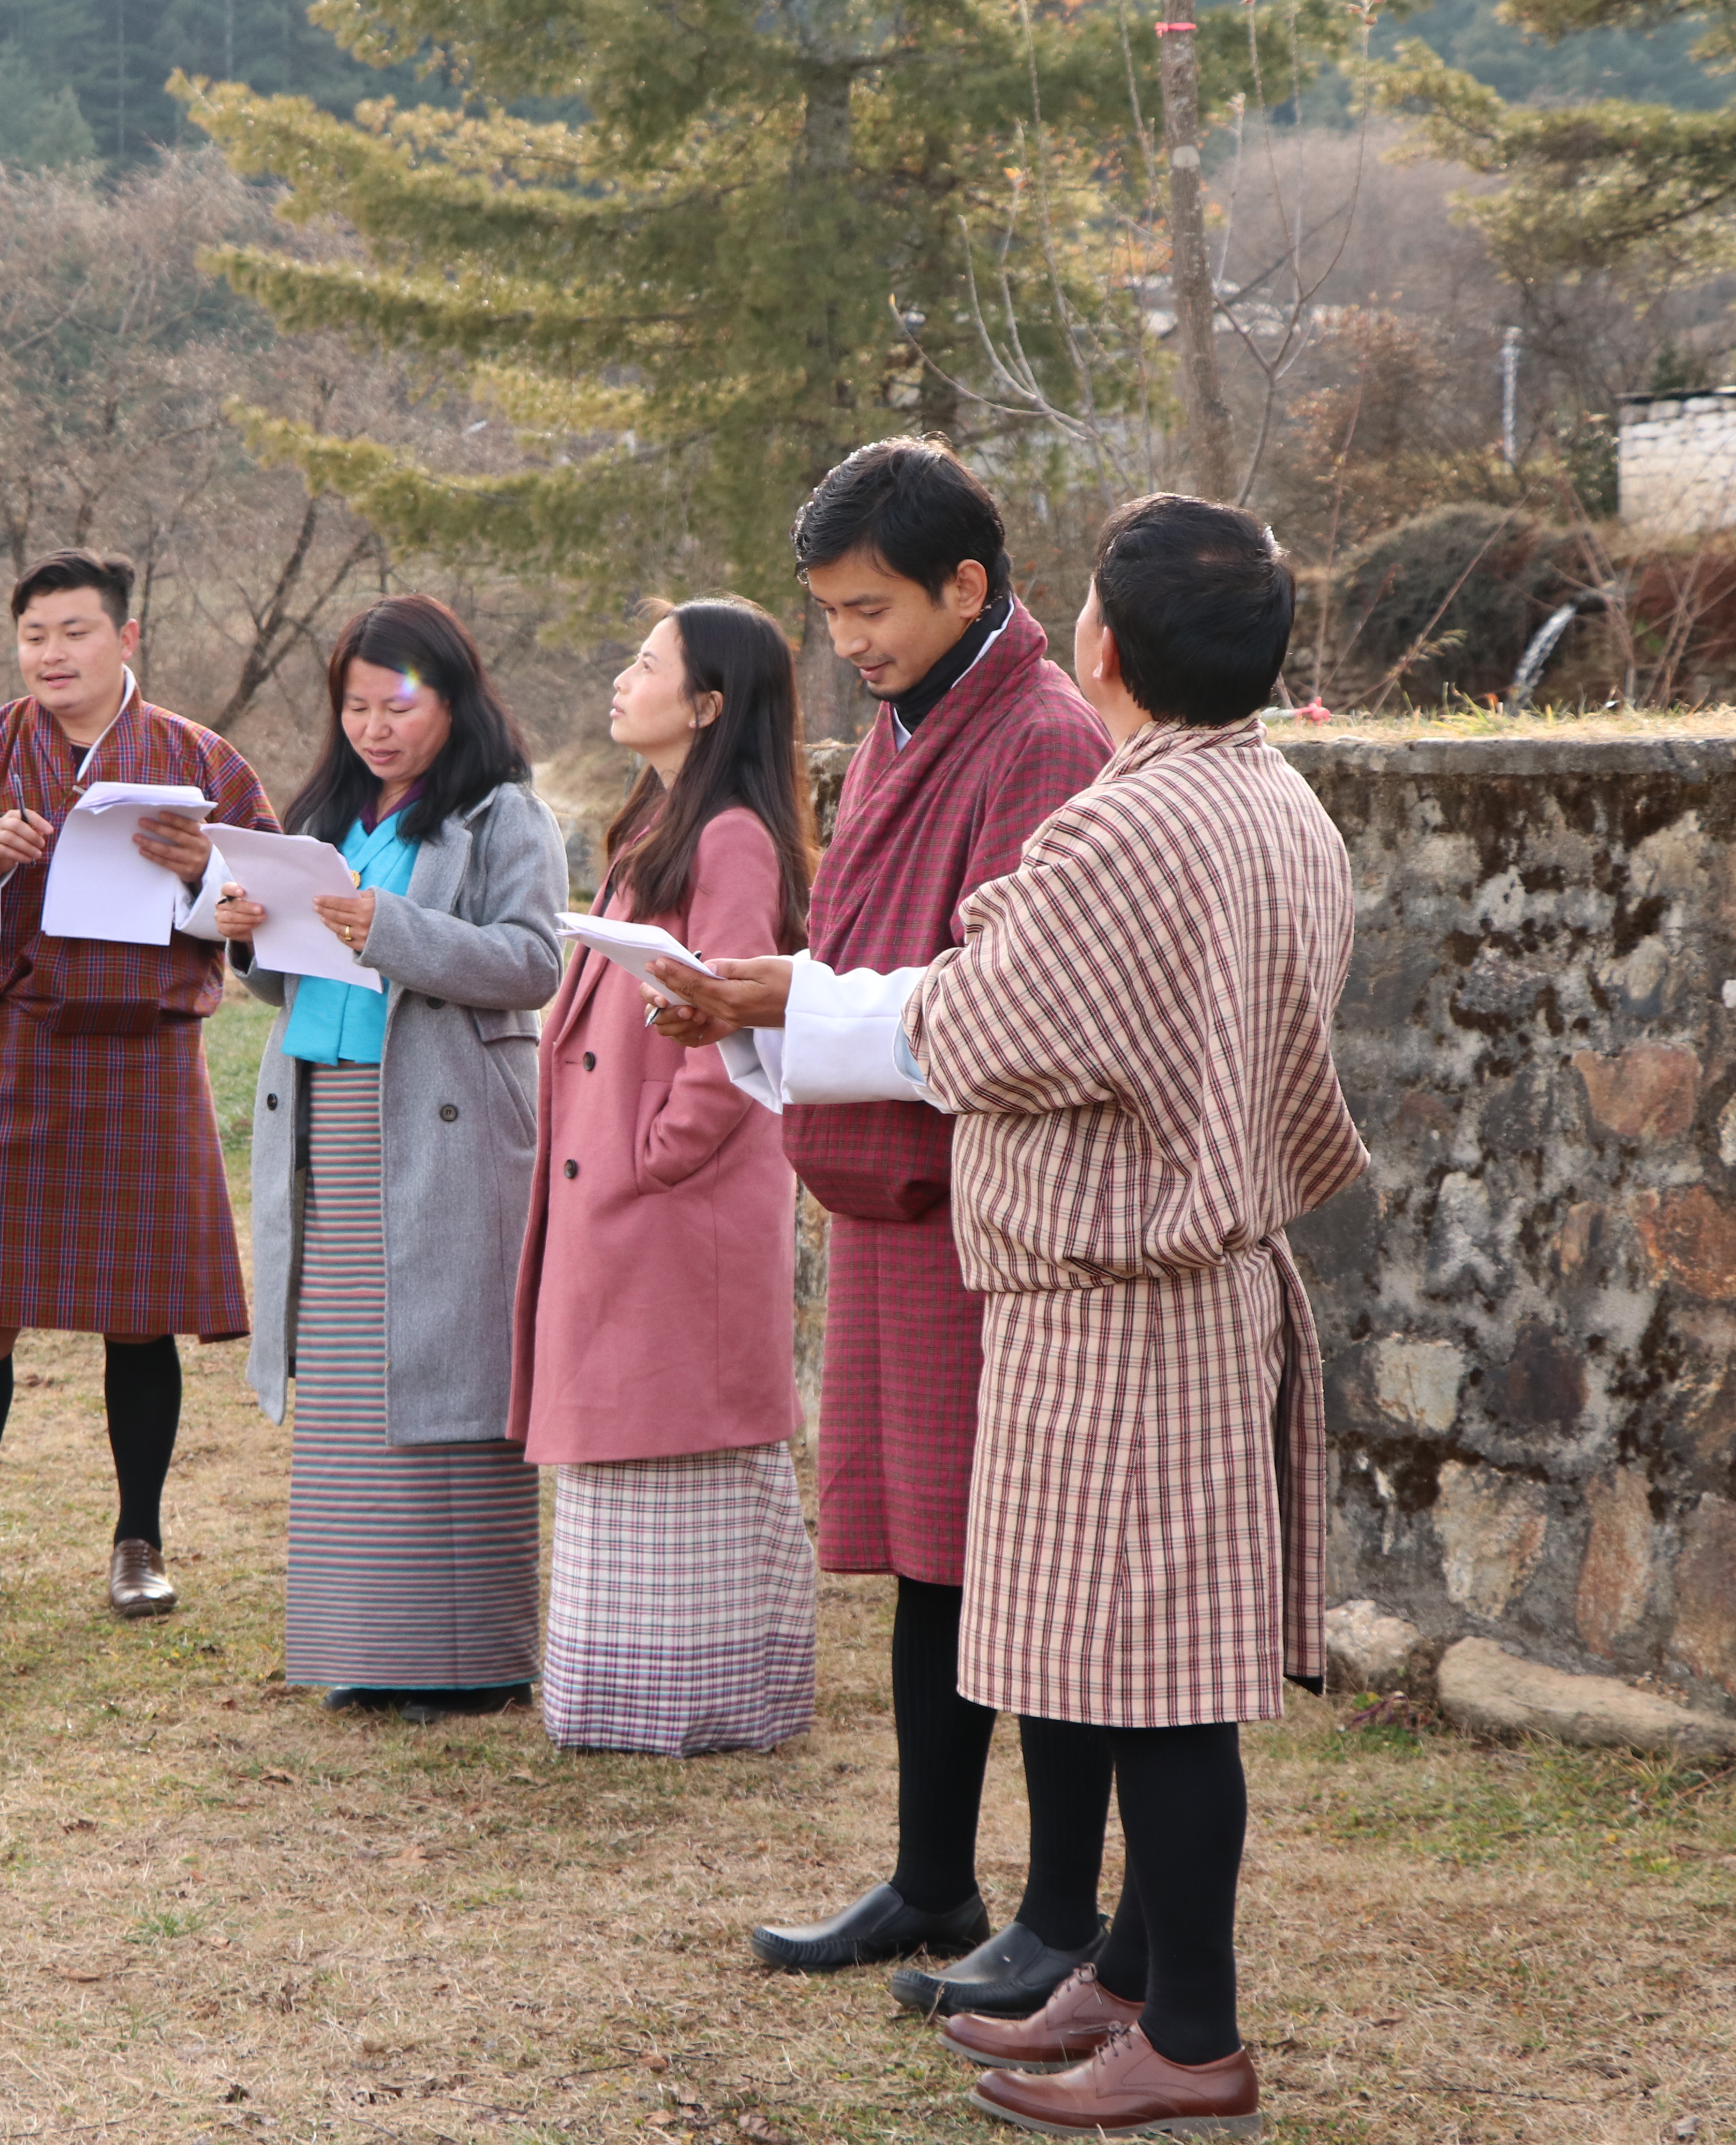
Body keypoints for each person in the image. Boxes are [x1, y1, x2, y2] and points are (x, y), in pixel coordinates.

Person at [648, 494, 1363, 2137]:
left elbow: (985, 1024)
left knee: (1159, 1694)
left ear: (1102, 643)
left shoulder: (1127, 821)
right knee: (1135, 1674)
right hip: (1200, 1272)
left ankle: (1189, 2037)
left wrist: (795, 999)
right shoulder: (1279, 802)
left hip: (1126, 1291)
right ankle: (1125, 1978)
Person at [732, 440, 1123, 2020]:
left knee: (1020, 1564)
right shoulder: (906, 722)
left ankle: (1060, 1909)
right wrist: (770, 1011)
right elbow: (870, 942)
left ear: (971, 586)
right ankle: (932, 1873)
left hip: (988, 1196)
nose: (851, 644)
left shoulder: (1038, 733)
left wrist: (804, 1008)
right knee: (923, 1556)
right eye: (829, 615)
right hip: (892, 1191)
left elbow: (1021, 999)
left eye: (873, 609)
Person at [211, 596, 565, 1720]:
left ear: (453, 700)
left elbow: (530, 962)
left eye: (398, 705)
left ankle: (469, 1658)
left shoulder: (506, 815)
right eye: (356, 705)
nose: (375, 726)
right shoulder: (332, 815)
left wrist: (385, 927)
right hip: (331, 1124)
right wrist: (249, 931)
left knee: (444, 1386)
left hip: (442, 1122)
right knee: (357, 1407)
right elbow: (305, 977)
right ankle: (365, 1643)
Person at [0, 549, 280, 1617]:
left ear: (126, 639)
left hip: (149, 1048)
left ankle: (139, 1536)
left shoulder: (197, 757)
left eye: (74, 631)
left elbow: (267, 900)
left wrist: (199, 874)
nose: (51, 653)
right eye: (35, 635)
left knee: (143, 1310)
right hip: (21, 1039)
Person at [506, 596, 821, 1757]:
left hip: (667, 1194)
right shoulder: (662, 815)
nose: (622, 679)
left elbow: (733, 1004)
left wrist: (661, 1152)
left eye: (648, 664)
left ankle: (696, 1694)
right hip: (630, 1186)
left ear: (707, 703)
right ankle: (634, 1692)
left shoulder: (730, 832)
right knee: (632, 1430)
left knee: (672, 1430)